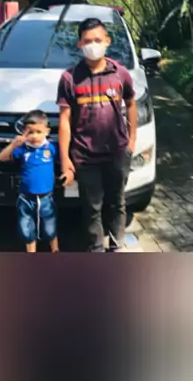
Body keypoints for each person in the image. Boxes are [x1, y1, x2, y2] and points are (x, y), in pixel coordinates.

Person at [57, 17, 137, 252]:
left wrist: (131, 142)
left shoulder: (120, 74)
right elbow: (64, 120)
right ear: (80, 44)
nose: (93, 45)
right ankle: (96, 250)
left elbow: (131, 103)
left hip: (117, 153)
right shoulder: (70, 78)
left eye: (97, 40)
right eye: (87, 41)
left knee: (117, 204)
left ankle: (116, 246)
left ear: (107, 41)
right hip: (85, 156)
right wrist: (65, 159)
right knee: (92, 208)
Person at [0, 110, 59, 253]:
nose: (34, 136)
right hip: (26, 198)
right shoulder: (22, 149)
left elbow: (63, 161)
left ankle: (55, 249)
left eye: (39, 132)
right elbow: (2, 157)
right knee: (26, 228)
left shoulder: (51, 148)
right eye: (30, 132)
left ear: (47, 131)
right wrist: (13, 145)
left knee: (50, 226)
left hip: (46, 197)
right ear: (24, 132)